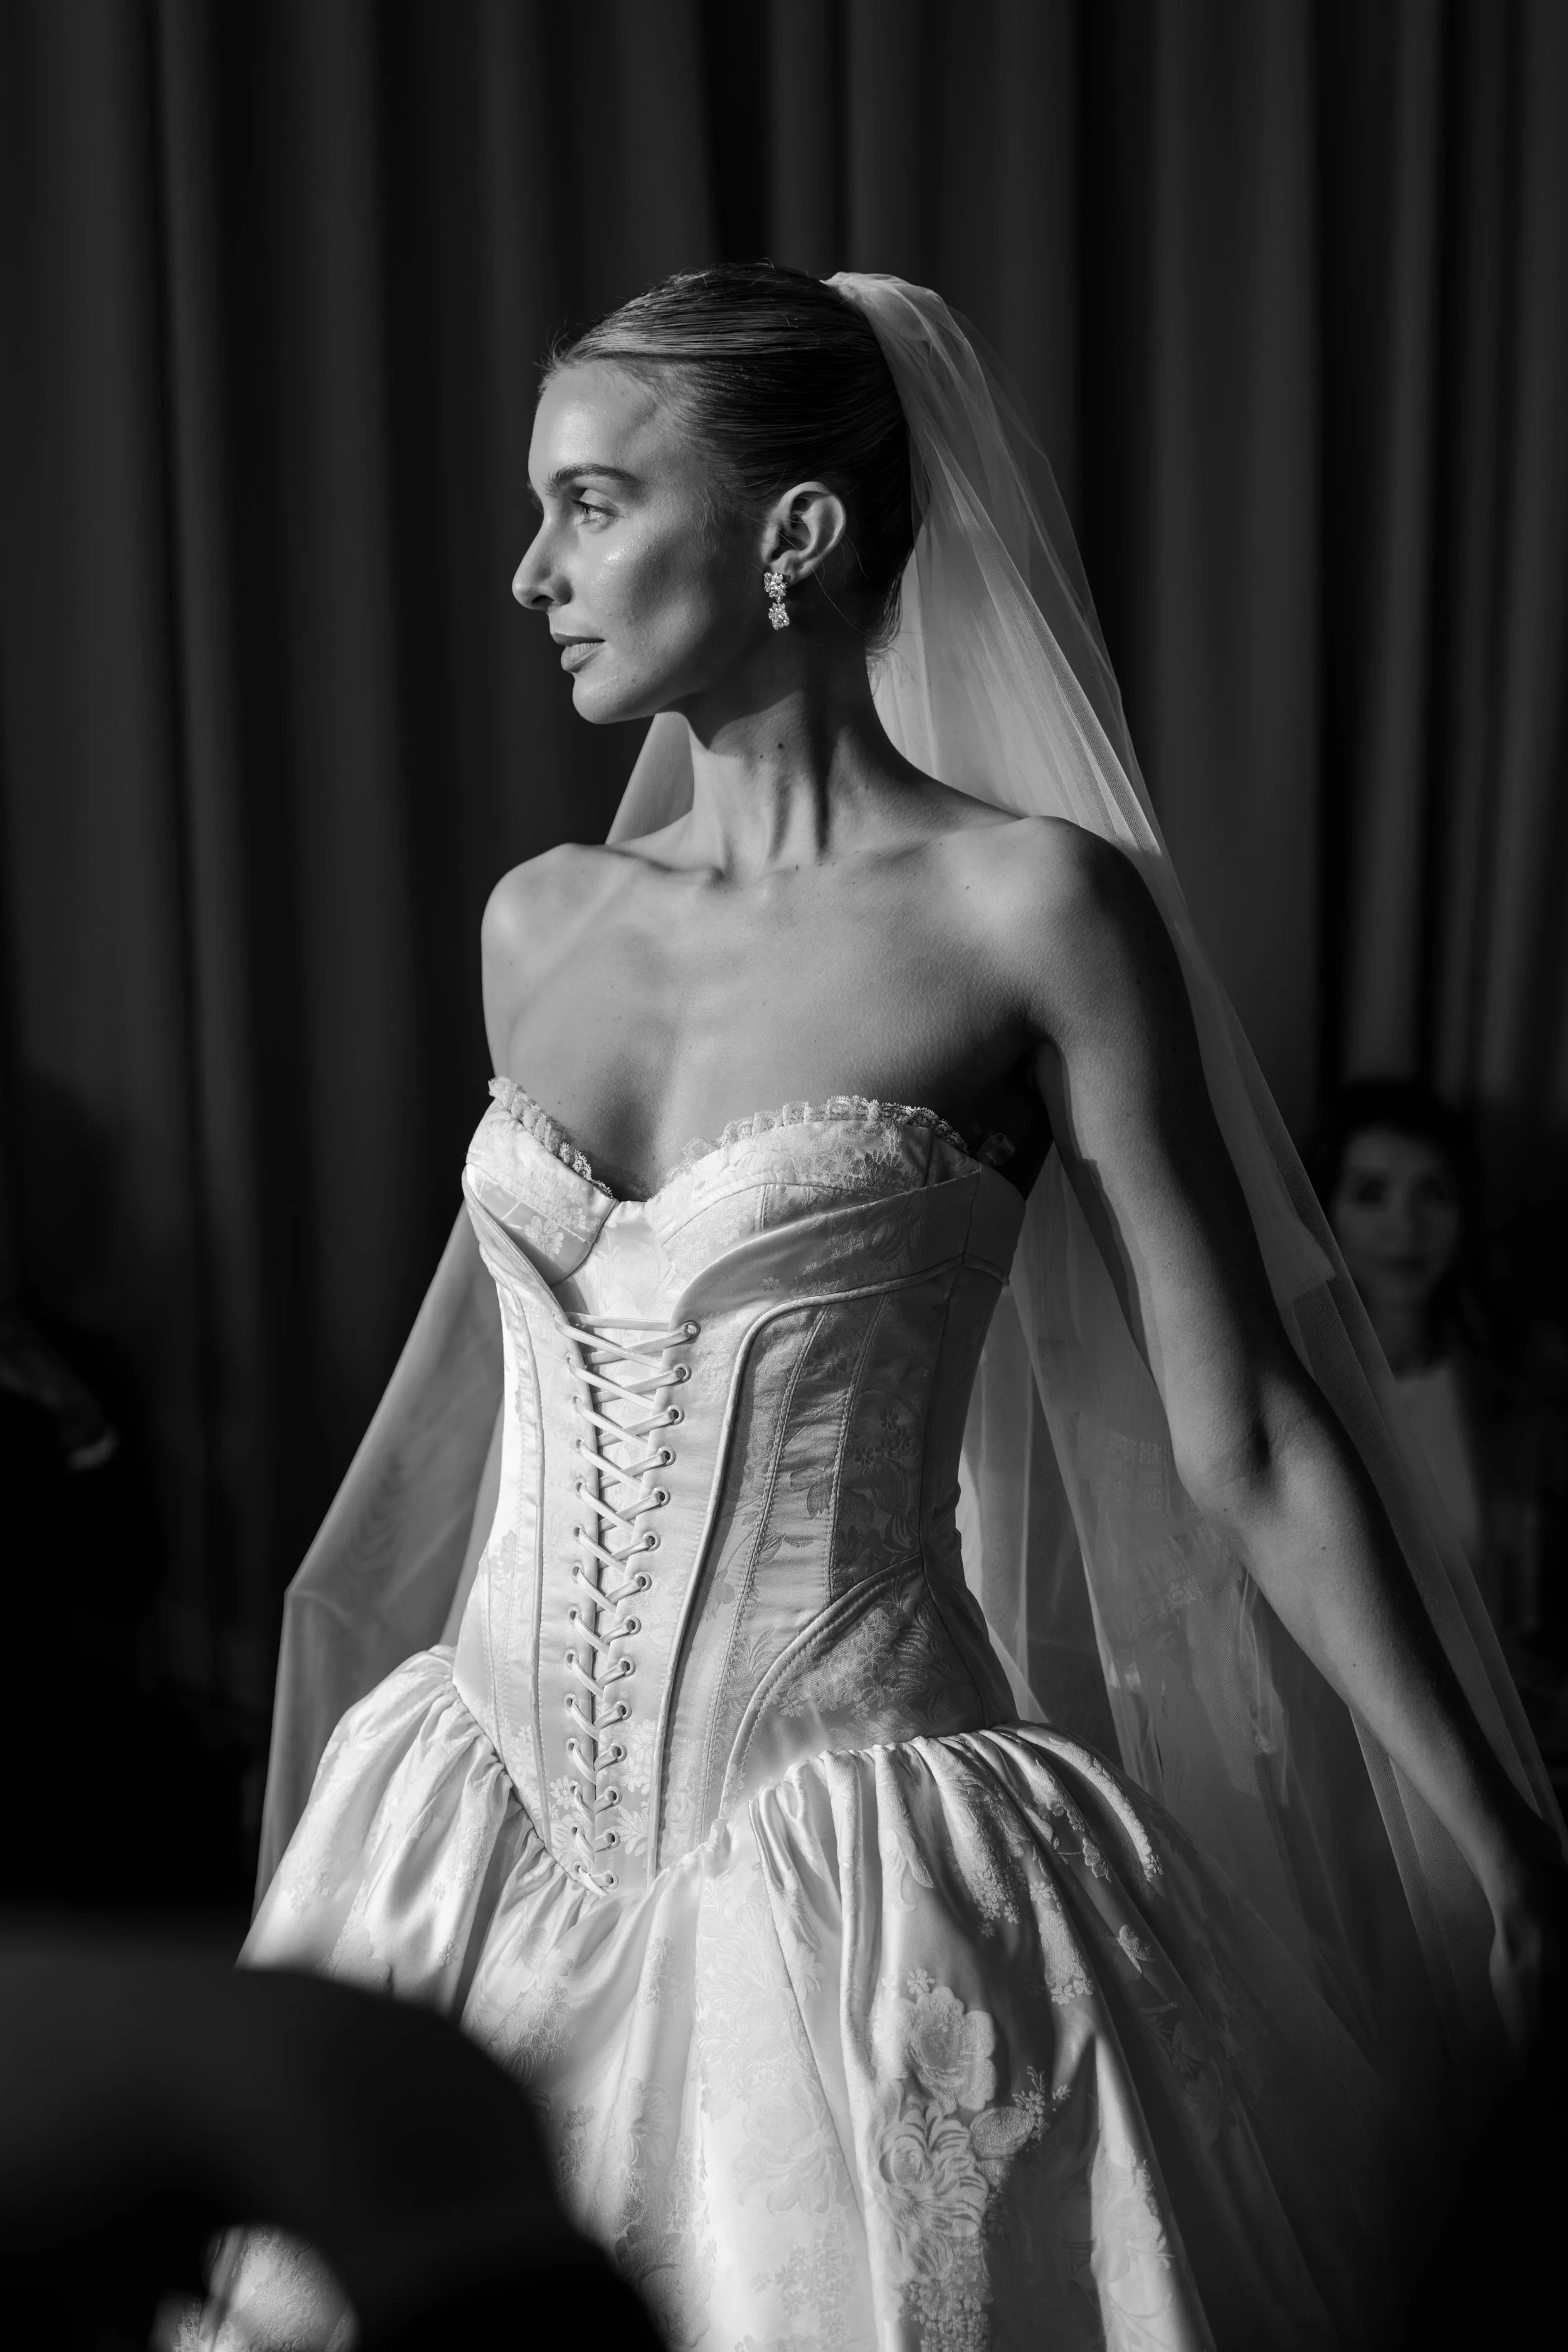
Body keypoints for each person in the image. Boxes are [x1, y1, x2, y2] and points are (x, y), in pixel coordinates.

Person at [241, 267, 1564, 2350]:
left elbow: (1250, 1433)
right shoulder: (539, 924)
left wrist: (1502, 1843)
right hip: (464, 1843)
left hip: (852, 1892)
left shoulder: (1028, 910)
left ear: (794, 534)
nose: (529, 573)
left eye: (590, 505)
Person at [1314, 1078, 1568, 1752]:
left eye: (1433, 1193)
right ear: (1324, 1210)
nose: (1406, 1227)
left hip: (1514, 1739)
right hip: (1347, 1750)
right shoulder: (1299, 1393)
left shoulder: (1527, 1387)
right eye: (1370, 1194)